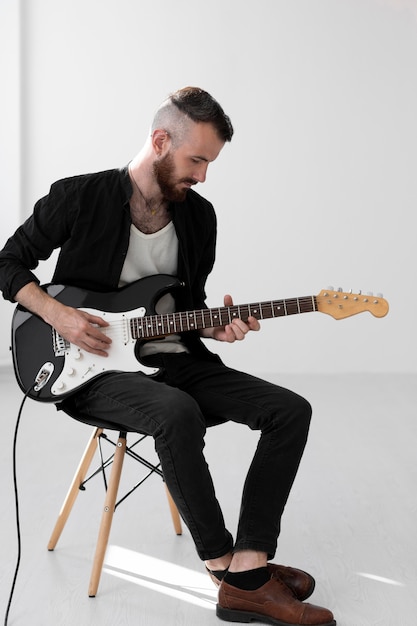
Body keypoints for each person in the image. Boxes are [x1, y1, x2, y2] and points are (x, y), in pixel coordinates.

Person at [0, 87, 335, 626]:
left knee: (290, 410)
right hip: (91, 369)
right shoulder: (80, 197)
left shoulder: (198, 218)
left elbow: (188, 305)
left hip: (173, 358)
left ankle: (250, 564)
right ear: (160, 142)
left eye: (210, 163)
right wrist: (59, 314)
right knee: (175, 410)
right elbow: (7, 264)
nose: (203, 175)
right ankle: (226, 571)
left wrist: (219, 328)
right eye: (196, 159)